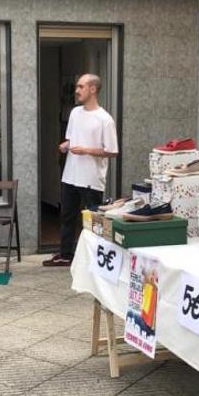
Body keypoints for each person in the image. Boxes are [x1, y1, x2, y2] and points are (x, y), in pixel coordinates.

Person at [44, 74, 118, 267]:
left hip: (91, 179)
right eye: (77, 86)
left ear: (93, 89)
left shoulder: (105, 119)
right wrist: (66, 145)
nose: (77, 90)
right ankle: (66, 254)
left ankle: (94, 257)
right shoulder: (75, 113)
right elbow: (73, 138)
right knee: (67, 216)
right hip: (70, 175)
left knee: (92, 220)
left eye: (81, 87)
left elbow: (112, 151)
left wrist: (86, 150)